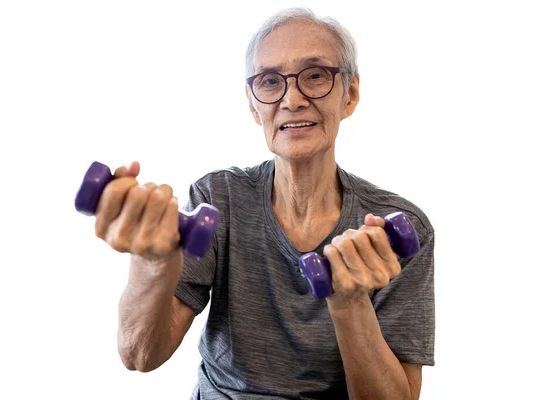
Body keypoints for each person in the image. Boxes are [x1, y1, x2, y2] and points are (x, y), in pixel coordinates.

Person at [93, 7, 435, 399]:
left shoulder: (402, 228)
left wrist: (350, 301)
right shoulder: (217, 199)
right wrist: (152, 264)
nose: (292, 99)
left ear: (350, 95)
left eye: (315, 76)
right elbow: (140, 355)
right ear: (254, 105)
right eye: (271, 82)